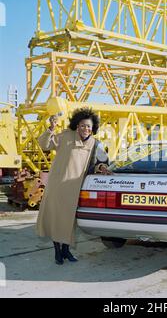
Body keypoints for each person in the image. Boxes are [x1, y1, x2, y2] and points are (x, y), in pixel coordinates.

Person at [36, 108, 110, 265]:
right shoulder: (65, 136)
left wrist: (102, 168)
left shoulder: (95, 144)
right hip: (57, 186)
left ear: (93, 128)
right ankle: (57, 252)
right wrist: (51, 128)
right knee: (56, 219)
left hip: (75, 189)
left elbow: (101, 162)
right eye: (83, 125)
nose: (86, 129)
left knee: (70, 222)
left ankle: (66, 250)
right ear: (77, 125)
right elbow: (44, 144)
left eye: (89, 126)